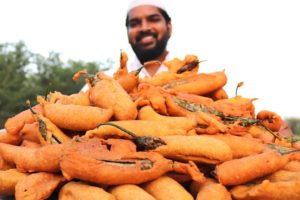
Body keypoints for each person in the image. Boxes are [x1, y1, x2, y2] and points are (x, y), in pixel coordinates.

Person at [125, 0, 173, 77]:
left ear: (169, 27)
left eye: (153, 19)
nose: (144, 28)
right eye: (134, 24)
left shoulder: (195, 71)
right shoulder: (112, 82)